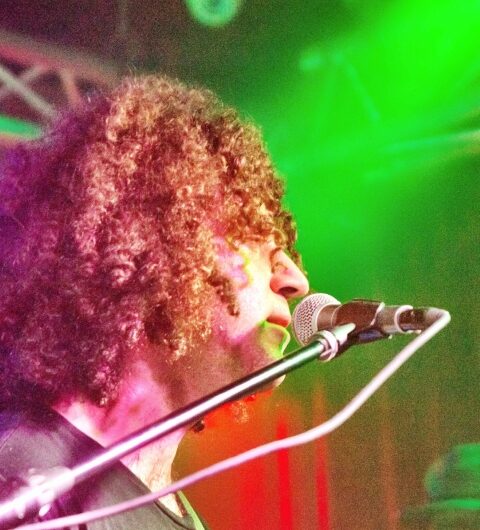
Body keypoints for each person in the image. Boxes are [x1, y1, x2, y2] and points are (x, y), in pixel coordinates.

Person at [0, 74, 309, 528]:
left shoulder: (174, 512)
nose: (297, 281)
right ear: (158, 239)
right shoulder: (20, 485)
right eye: (260, 245)